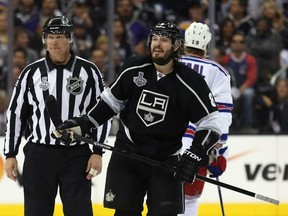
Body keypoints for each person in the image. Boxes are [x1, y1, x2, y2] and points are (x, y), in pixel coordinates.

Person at [53, 21, 222, 216]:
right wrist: (83, 124)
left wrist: (195, 153)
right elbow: (110, 103)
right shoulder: (134, 68)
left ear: (176, 46)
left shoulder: (191, 82)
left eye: (164, 40)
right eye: (154, 38)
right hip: (128, 154)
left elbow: (210, 123)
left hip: (166, 160)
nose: (157, 44)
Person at [3, 16, 110, 216]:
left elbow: (103, 111)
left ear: (70, 38)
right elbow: (16, 113)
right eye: (50, 36)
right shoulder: (30, 73)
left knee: (80, 212)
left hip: (77, 155)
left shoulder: (89, 71)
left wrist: (98, 151)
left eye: (60, 36)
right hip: (39, 155)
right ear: (44, 39)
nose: (54, 42)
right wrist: (10, 154)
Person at [178, 22, 233, 216]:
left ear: (183, 43)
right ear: (207, 46)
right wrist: (220, 150)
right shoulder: (218, 71)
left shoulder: (169, 64)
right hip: (198, 144)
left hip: (164, 140)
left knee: (158, 193)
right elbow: (223, 115)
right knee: (189, 197)